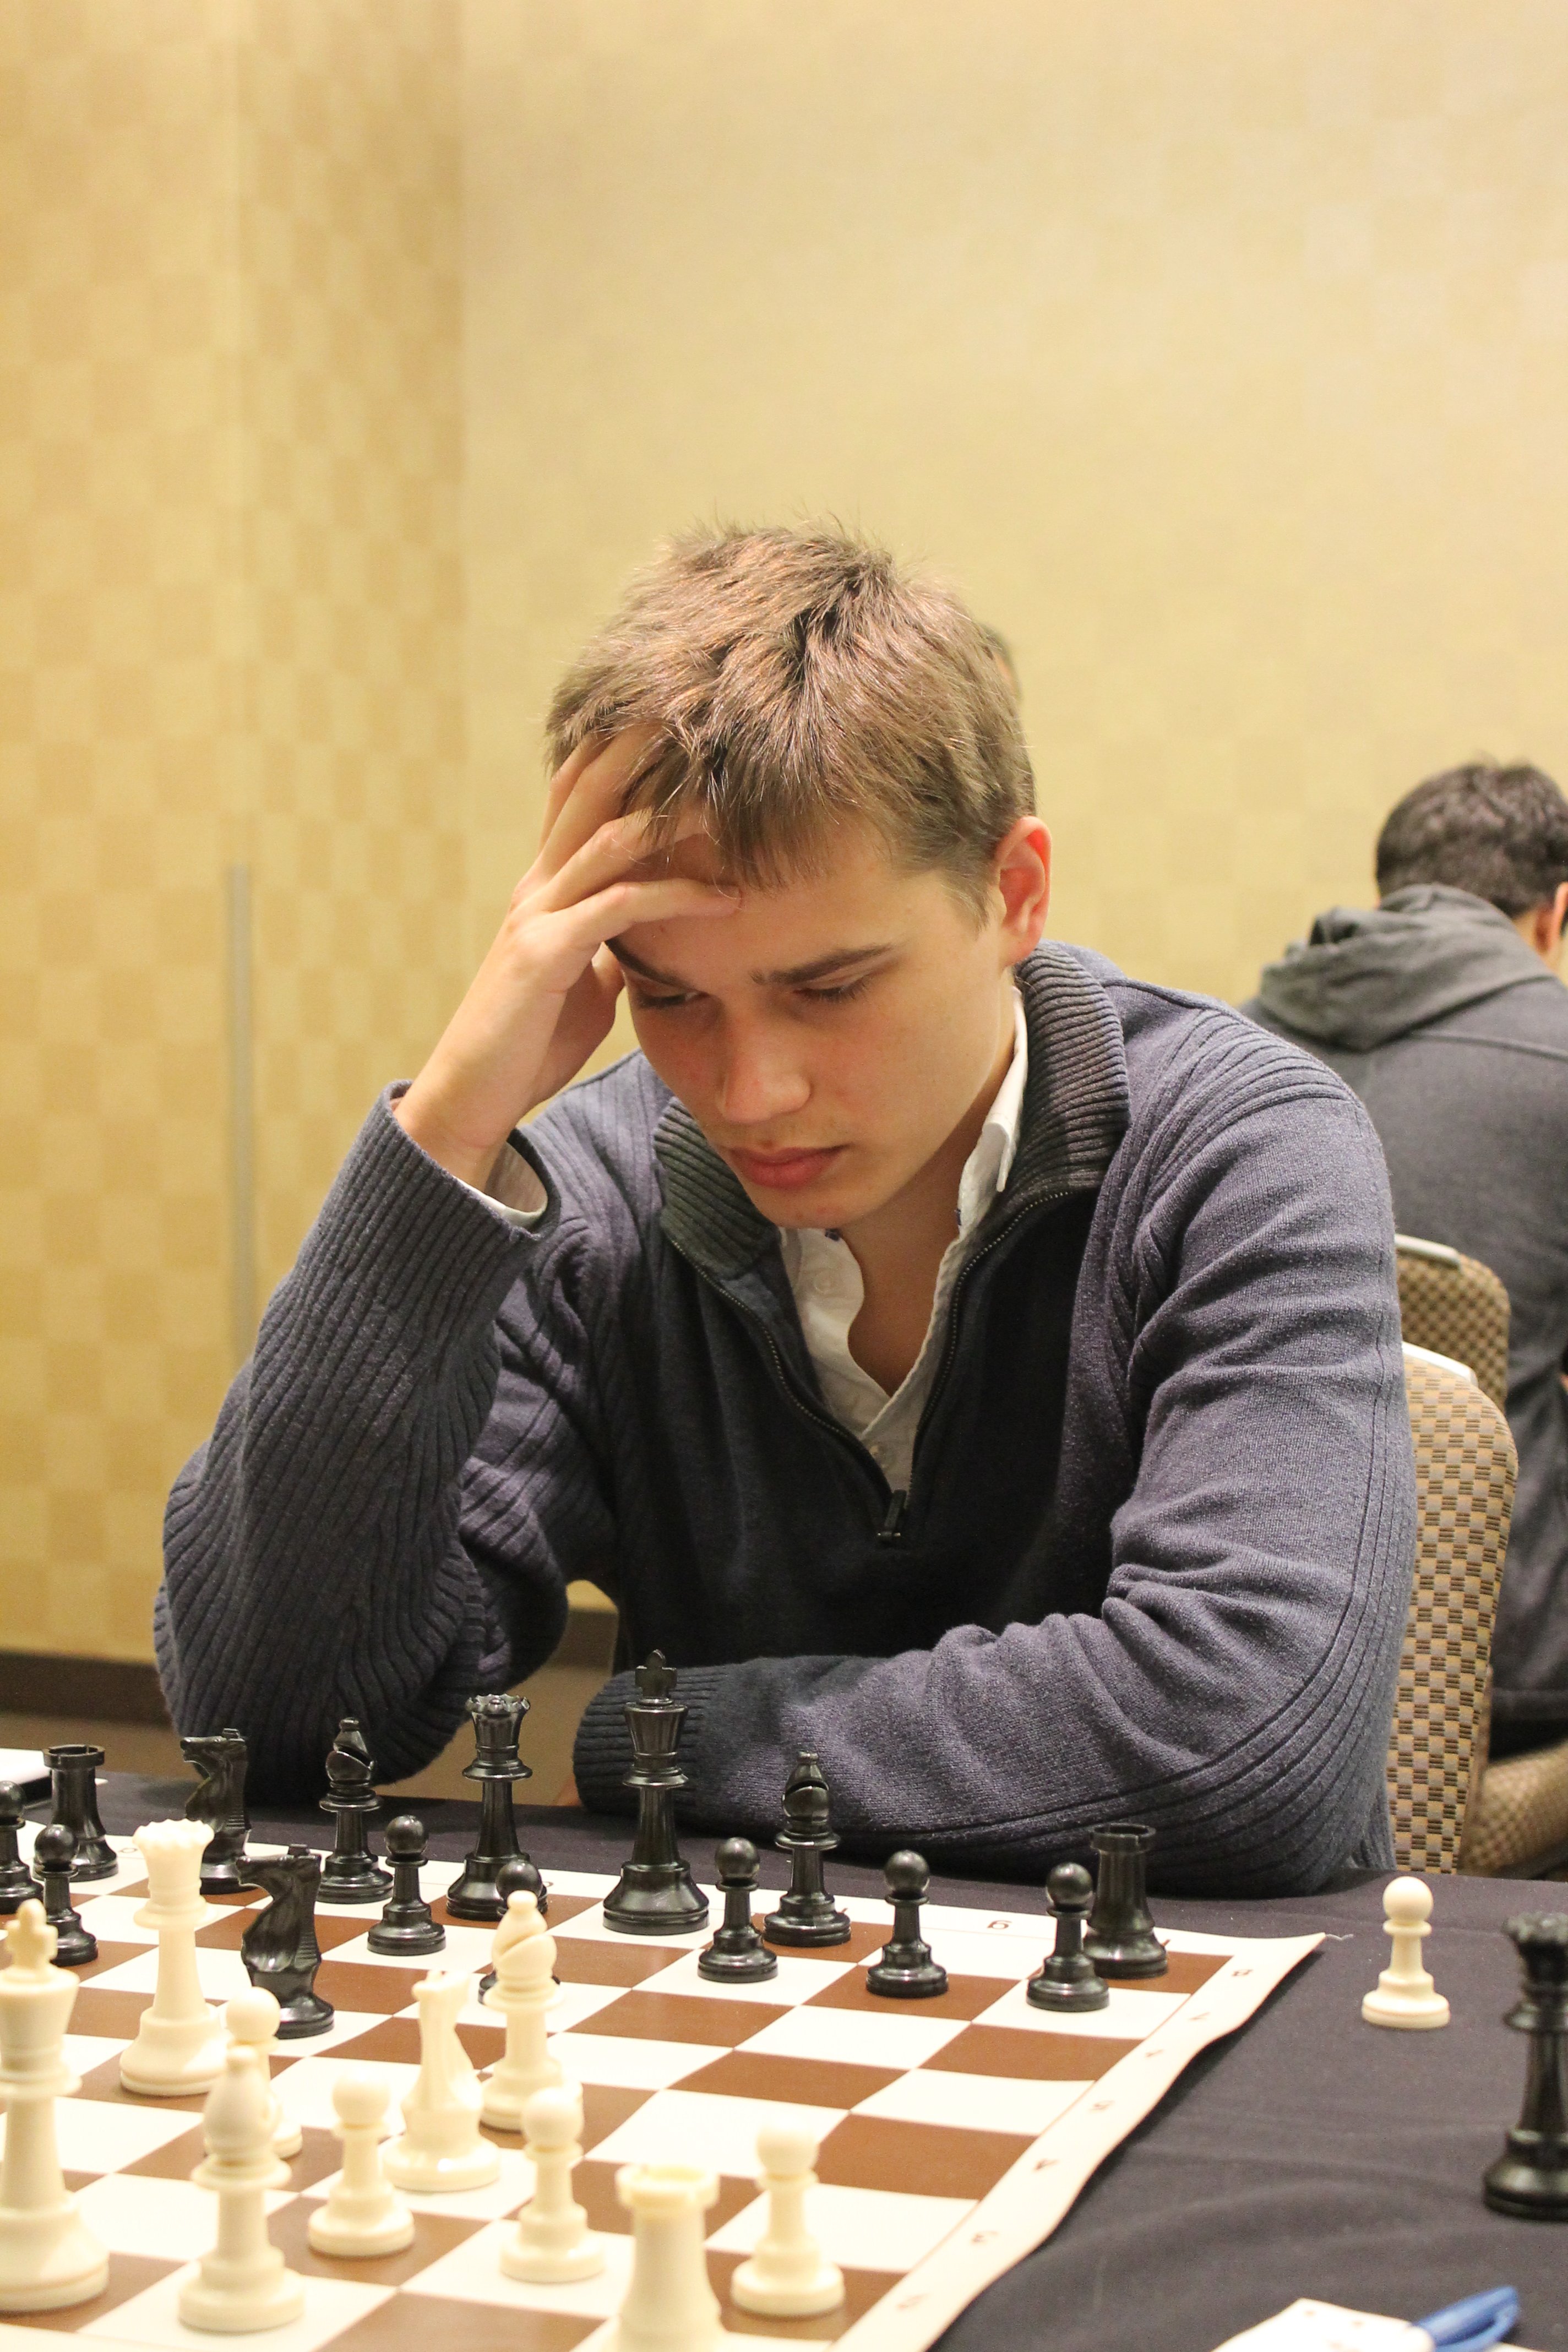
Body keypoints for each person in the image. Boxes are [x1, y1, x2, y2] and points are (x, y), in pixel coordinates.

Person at [157, 527, 1415, 1893]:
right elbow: (271, 1722)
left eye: (828, 989)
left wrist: (663, 1741)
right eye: (670, 996)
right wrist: (447, 1137)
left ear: (1012, 894)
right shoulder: (596, 1195)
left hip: (1193, 1987)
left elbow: (1245, 1747)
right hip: (735, 1978)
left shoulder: (1242, 1146)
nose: (747, 1091)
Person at [1245, 760, 1568, 1758]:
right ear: (1556, 914)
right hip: (1511, 1668)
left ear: (1391, 894)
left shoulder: (1231, 1050)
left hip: (1248, 1633)